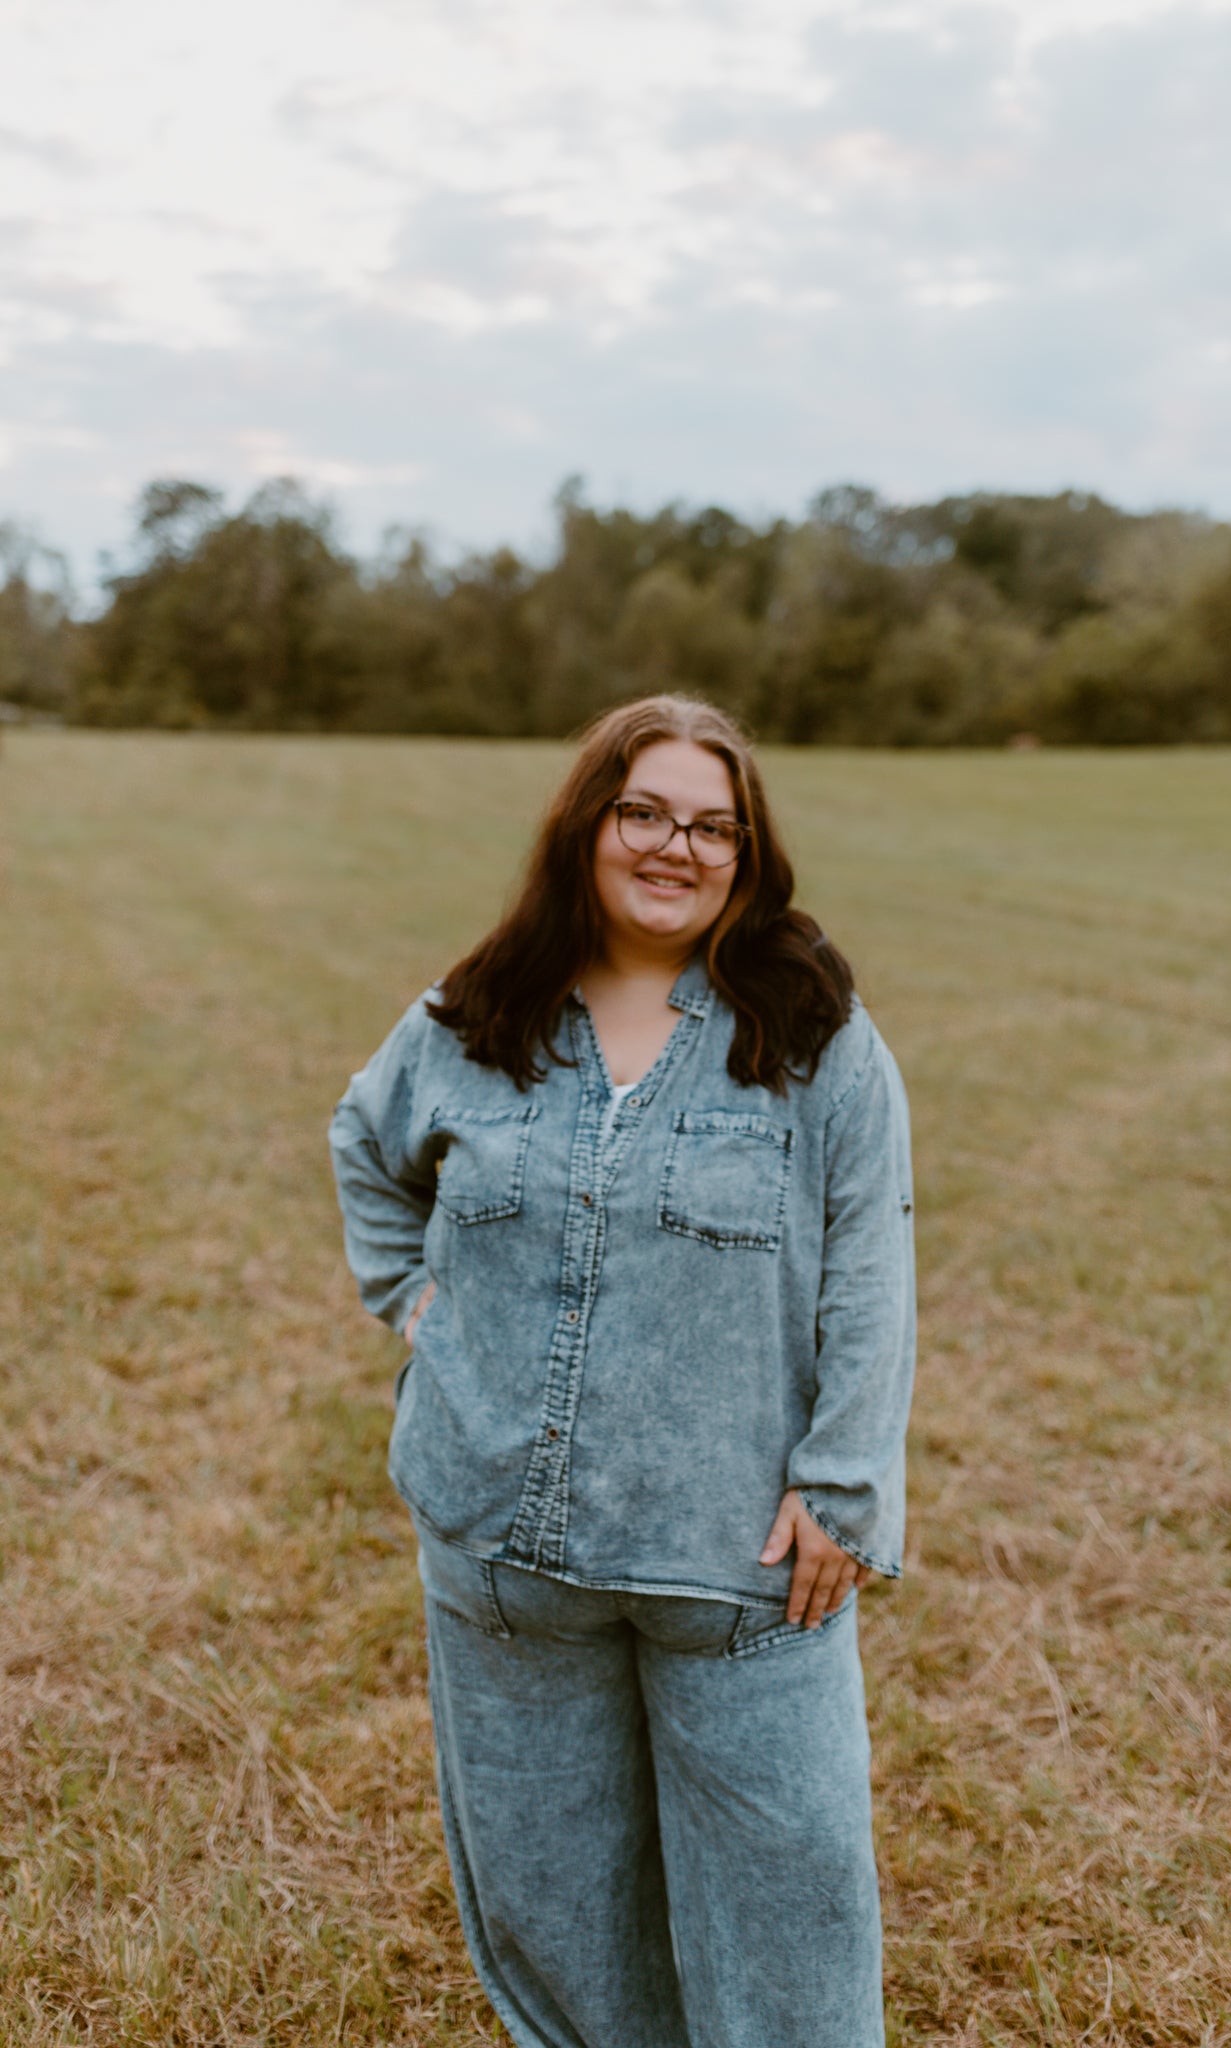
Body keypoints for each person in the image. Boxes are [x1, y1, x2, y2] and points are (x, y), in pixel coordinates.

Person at [328, 693, 916, 2048]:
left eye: (713, 825)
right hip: (505, 1555)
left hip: (739, 1563)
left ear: (748, 854)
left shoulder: (812, 1033)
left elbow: (871, 1266)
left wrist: (842, 1483)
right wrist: (412, 1302)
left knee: (793, 1909)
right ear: (586, 825)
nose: (676, 846)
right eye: (644, 811)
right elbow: (366, 1144)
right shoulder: (479, 1016)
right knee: (558, 1914)